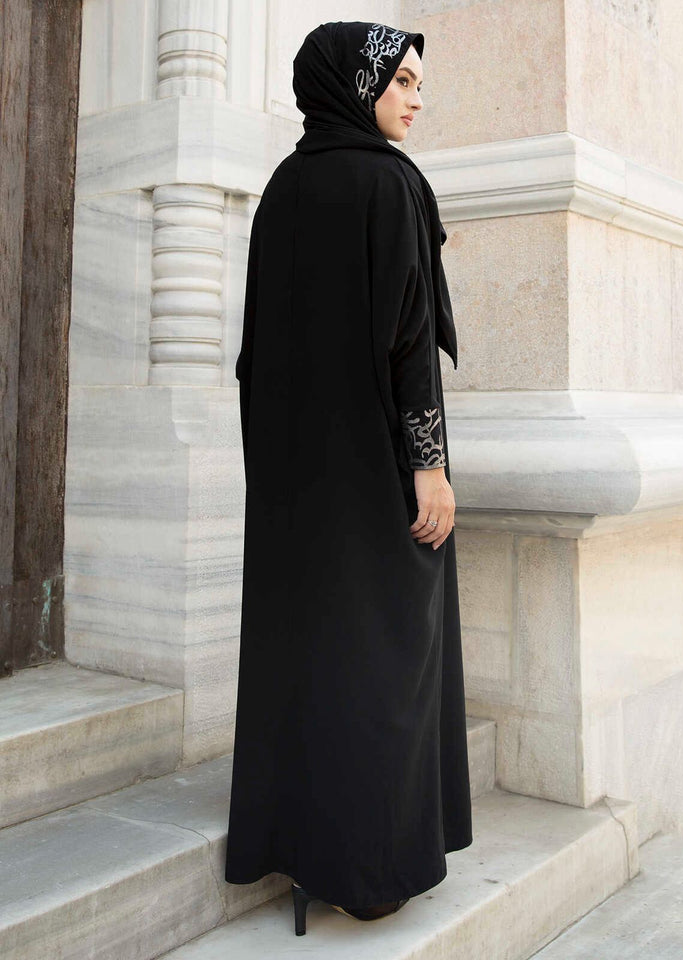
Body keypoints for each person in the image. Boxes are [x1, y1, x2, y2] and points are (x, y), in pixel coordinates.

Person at [224, 20, 473, 937]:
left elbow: (256, 354)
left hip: (294, 481)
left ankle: (304, 848)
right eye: (401, 79)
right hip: (374, 477)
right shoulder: (391, 182)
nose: (416, 98)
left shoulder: (282, 190)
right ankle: (371, 873)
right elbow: (410, 344)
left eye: (419, 82)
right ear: (356, 84)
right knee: (382, 658)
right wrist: (429, 467)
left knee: (312, 659)